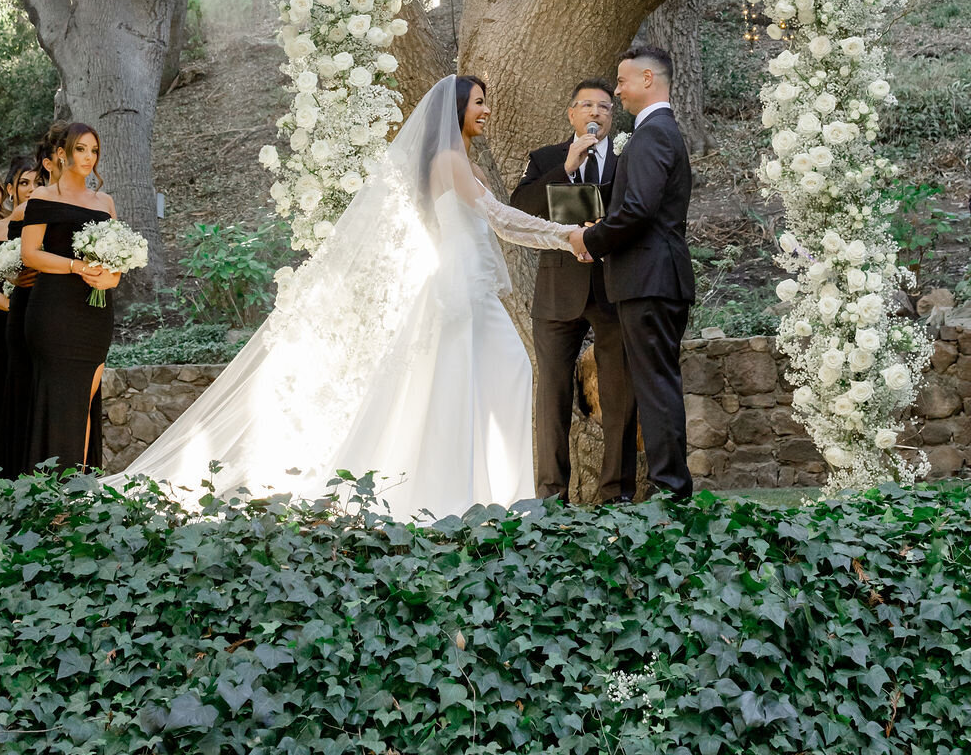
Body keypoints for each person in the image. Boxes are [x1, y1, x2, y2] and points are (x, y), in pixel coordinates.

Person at [127, 75, 574, 519]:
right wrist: (568, 235)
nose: (486, 110)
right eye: (478, 102)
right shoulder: (449, 162)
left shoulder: (465, 166)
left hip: (470, 284)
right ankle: (456, 496)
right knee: (474, 379)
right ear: (455, 109)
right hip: (460, 287)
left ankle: (486, 493)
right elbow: (503, 220)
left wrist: (565, 234)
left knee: (486, 377)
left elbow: (500, 223)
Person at [569, 47, 695, 501]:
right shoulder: (657, 133)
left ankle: (670, 491)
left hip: (649, 279)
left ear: (647, 79)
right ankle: (669, 488)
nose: (616, 90)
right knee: (655, 383)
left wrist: (592, 239)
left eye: (621, 82)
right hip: (651, 278)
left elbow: (638, 210)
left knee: (656, 386)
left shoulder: (653, 135)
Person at [510, 80, 637, 503]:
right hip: (556, 293)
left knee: (620, 395)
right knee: (552, 397)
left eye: (604, 107)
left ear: (610, 117)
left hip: (611, 291)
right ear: (572, 114)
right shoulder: (545, 158)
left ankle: (615, 494)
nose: (595, 113)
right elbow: (520, 209)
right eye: (586, 105)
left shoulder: (626, 162)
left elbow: (635, 218)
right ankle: (551, 497)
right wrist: (565, 166)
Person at [21, 123, 119, 473]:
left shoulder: (104, 202)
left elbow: (117, 259)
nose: (89, 157)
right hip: (55, 311)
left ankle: (80, 488)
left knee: (85, 399)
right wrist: (77, 266)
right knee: (60, 399)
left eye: (94, 150)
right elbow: (31, 254)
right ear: (61, 153)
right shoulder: (43, 198)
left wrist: (111, 277)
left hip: (95, 313)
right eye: (81, 149)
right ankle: (50, 492)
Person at [0, 155, 39, 476]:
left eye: (37, 182)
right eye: (24, 182)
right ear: (11, 188)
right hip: (0, 327)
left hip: (36, 325)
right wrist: (11, 304)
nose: (31, 189)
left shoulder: (45, 228)